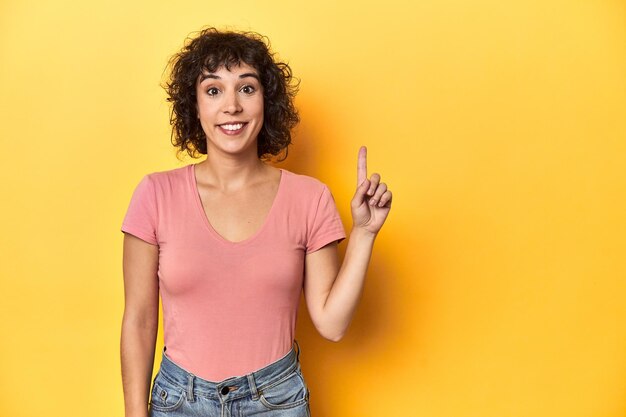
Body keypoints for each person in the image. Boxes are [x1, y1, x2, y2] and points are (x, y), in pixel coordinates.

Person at [120, 27, 392, 417]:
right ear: (194, 106)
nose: (232, 105)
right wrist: (134, 412)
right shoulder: (155, 194)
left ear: (267, 102)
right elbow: (139, 320)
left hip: (275, 402)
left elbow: (332, 324)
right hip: (178, 402)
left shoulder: (310, 198)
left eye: (246, 89)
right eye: (214, 90)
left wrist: (364, 233)